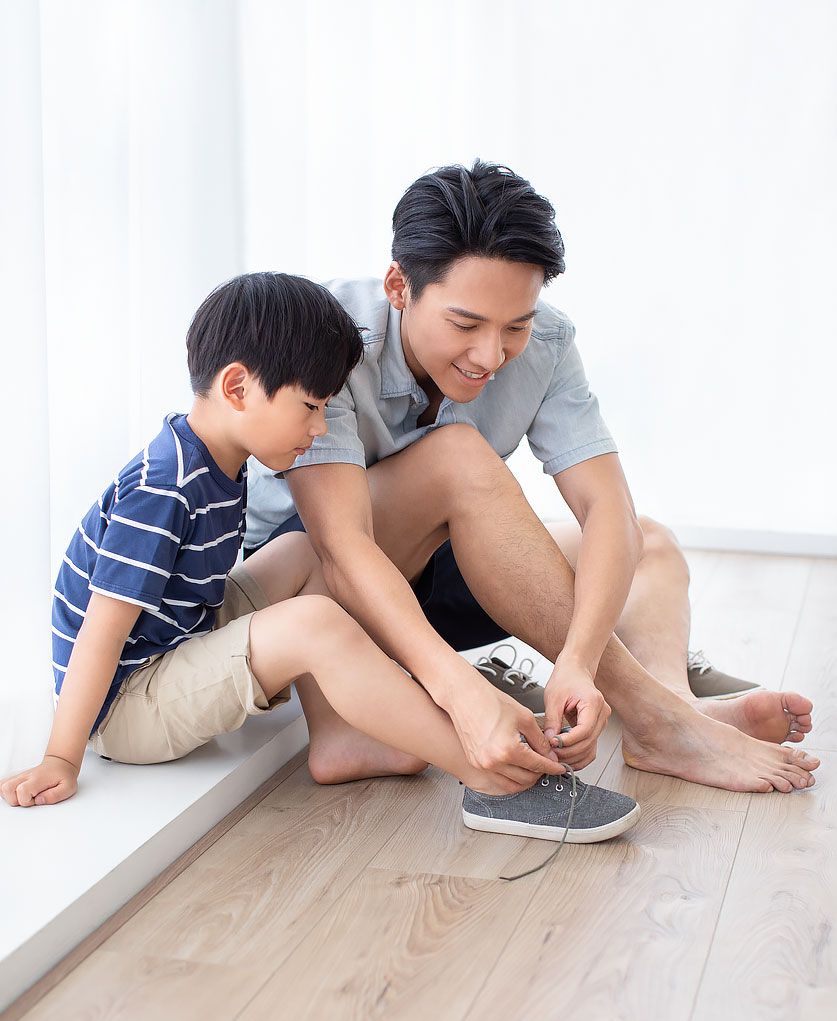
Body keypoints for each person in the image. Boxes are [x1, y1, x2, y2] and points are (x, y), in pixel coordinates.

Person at [0, 271, 644, 850]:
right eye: (309, 408)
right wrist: (62, 756)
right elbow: (101, 631)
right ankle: (491, 773)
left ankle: (345, 734)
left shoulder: (211, 460)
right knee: (314, 623)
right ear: (237, 387)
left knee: (316, 543)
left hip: (180, 636)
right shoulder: (162, 488)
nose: (317, 431)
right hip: (127, 705)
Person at [243, 161, 818, 795]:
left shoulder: (546, 343)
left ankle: (672, 708)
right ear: (400, 286)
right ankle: (659, 717)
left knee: (648, 541)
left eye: (514, 325)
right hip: (322, 589)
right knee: (456, 455)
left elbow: (606, 509)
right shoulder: (330, 337)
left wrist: (575, 662)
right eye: (465, 325)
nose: (490, 356)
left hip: (438, 578)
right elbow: (343, 548)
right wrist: (461, 697)